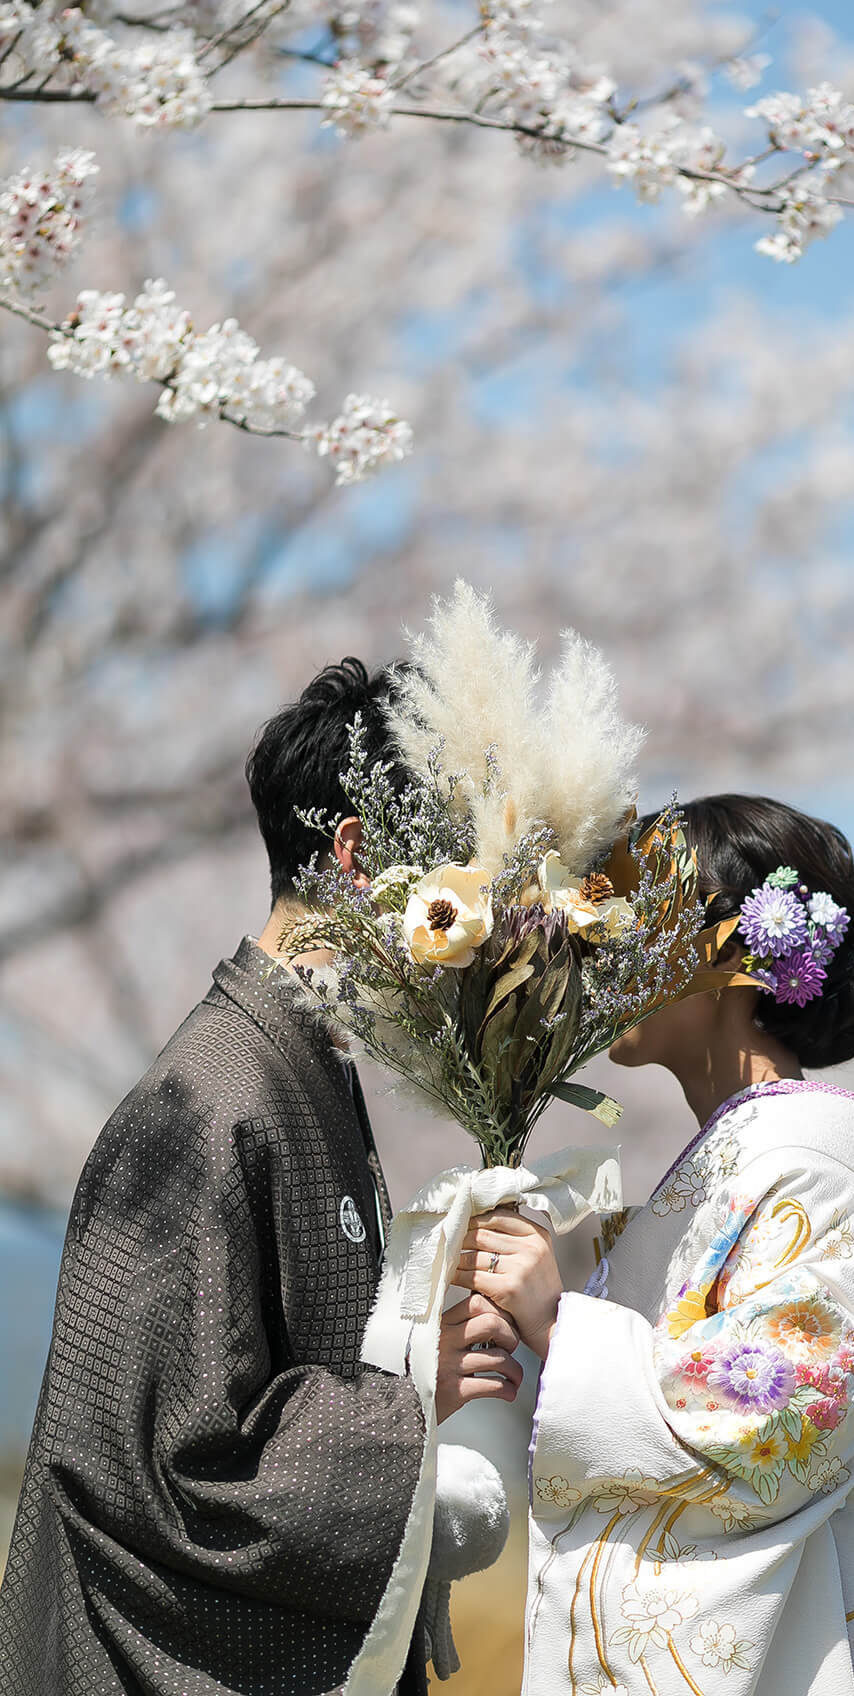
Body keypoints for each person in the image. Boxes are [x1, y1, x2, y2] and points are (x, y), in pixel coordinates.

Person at [0, 658, 520, 1696]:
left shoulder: (299, 1063)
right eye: (454, 865)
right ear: (358, 848)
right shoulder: (207, 1099)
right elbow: (175, 1455)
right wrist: (414, 1418)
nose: (474, 906)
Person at [458, 793, 854, 1696]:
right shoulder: (743, 1185)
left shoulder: (812, 1189)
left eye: (629, 917)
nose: (598, 949)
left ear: (733, 951)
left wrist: (559, 1327)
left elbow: (758, 1436)